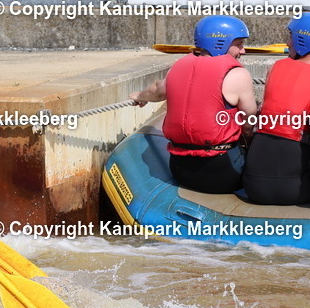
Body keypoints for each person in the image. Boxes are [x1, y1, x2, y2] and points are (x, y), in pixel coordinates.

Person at [131, 15, 257, 194]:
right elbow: (249, 125)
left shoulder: (178, 67)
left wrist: (139, 96)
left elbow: (157, 90)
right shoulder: (237, 74)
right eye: (239, 44)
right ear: (221, 43)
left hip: (180, 170)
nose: (243, 51)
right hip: (225, 174)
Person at [243, 16, 310, 205]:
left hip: (253, 188)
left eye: (291, 37)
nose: (288, 43)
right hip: (297, 191)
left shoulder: (276, 67)